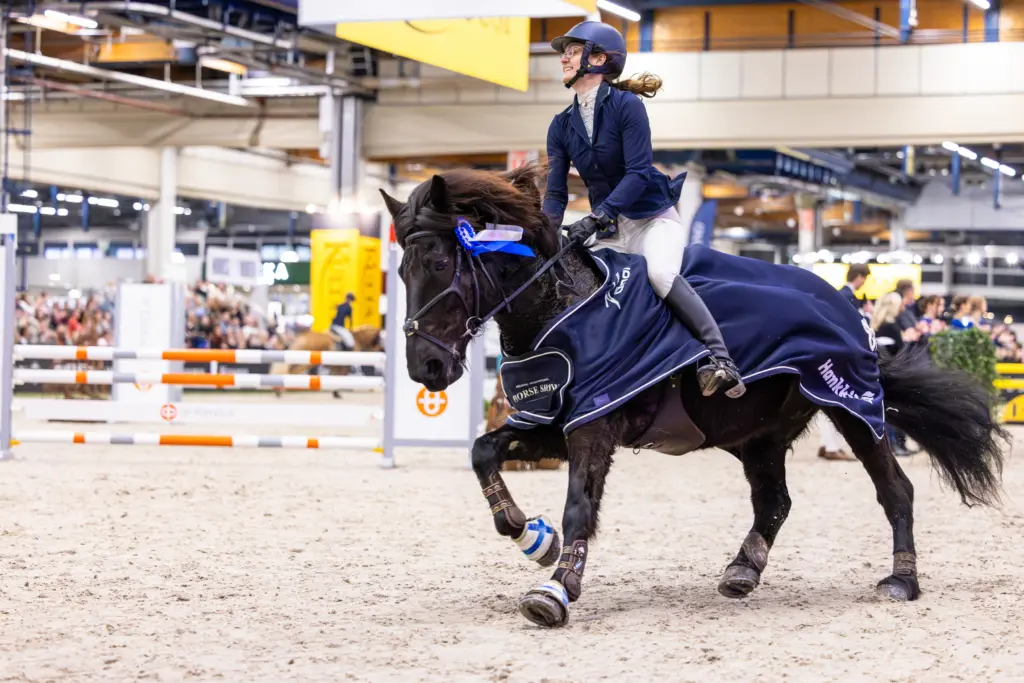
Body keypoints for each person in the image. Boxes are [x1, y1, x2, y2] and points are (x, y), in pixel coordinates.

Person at [542, 20, 744, 399]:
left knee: (660, 275)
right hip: (610, 231)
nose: (564, 57)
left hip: (652, 219)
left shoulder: (626, 106)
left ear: (598, 59)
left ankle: (721, 360)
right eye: (564, 52)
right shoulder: (560, 125)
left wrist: (596, 216)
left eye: (572, 50)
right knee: (582, 285)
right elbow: (555, 195)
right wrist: (545, 232)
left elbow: (637, 174)